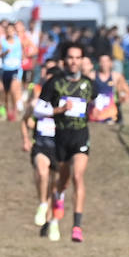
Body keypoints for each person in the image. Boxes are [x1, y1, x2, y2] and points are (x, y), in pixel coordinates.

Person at [40, 42, 95, 242]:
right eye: (71, 57)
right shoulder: (54, 83)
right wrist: (58, 110)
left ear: (82, 60)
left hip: (80, 136)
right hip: (61, 138)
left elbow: (94, 100)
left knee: (78, 177)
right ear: (65, 60)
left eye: (78, 58)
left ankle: (77, 226)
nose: (74, 61)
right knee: (62, 182)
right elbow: (39, 108)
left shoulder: (89, 84)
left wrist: (95, 110)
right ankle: (59, 197)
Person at [22, 61, 60, 231]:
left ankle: (51, 221)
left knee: (55, 186)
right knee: (42, 173)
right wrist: (26, 139)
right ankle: (43, 204)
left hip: (58, 145)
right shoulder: (38, 102)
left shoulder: (64, 101)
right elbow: (25, 119)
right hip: (41, 142)